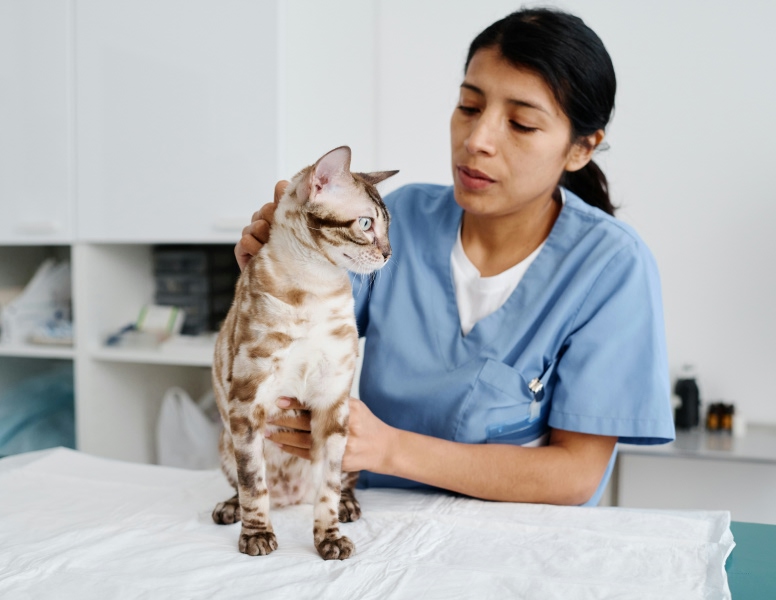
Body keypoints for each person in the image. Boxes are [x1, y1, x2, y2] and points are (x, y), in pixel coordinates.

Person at [235, 8, 675, 507]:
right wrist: (274, 266)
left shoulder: (611, 267)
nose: (476, 141)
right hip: (379, 522)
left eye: (521, 124)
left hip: (518, 538)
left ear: (581, 148)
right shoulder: (398, 219)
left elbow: (575, 475)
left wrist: (389, 449)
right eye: (469, 106)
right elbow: (304, 329)